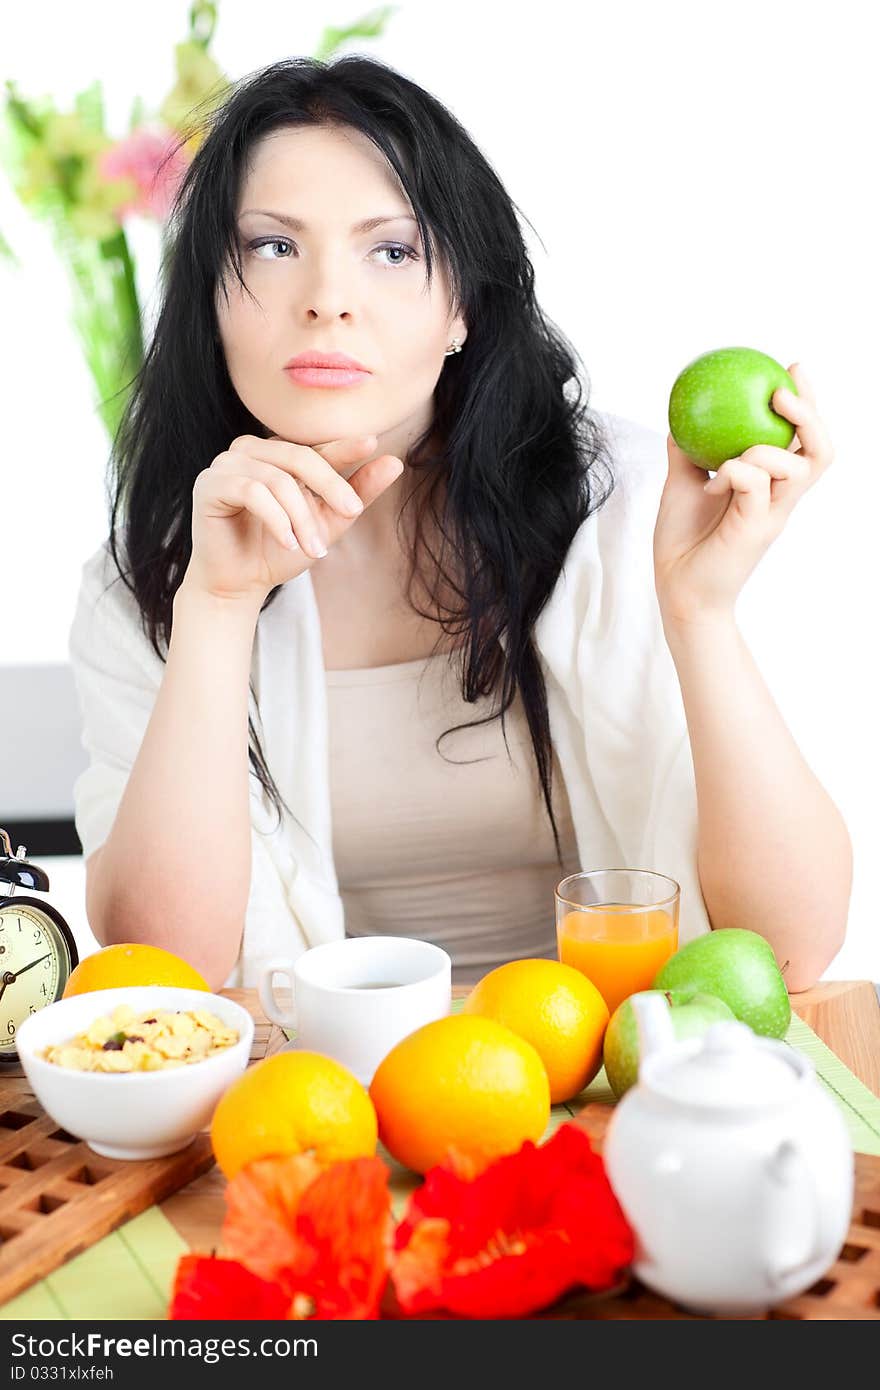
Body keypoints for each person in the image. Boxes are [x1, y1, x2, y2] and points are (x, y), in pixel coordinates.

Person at [69, 55, 851, 993]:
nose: (327, 298)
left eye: (391, 250)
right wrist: (218, 608)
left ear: (462, 310)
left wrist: (701, 612)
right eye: (273, 246)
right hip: (323, 1105)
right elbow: (166, 972)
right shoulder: (153, 579)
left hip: (611, 1086)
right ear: (210, 298)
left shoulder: (627, 507)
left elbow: (793, 948)